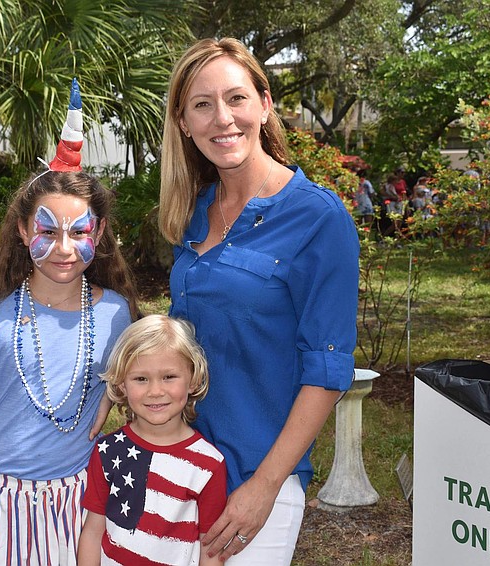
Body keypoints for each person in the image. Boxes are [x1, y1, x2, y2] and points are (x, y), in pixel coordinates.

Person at [158, 38, 359, 565]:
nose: (222, 118)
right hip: (179, 467)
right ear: (183, 122)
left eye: (236, 98)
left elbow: (328, 369)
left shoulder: (318, 219)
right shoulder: (194, 212)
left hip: (254, 480)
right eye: (202, 104)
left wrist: (265, 487)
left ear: (265, 104)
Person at [0, 78, 141, 566]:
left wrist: (114, 393)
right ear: (23, 229)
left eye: (79, 232)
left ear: (99, 233)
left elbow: (151, 381)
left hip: (80, 508)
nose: (64, 249)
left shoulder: (117, 314)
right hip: (0, 510)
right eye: (47, 231)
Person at [77, 315, 227, 566]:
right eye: (141, 379)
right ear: (121, 384)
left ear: (193, 379)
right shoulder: (108, 450)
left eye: (169, 377)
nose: (155, 391)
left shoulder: (208, 464)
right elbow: (93, 532)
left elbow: (209, 549)